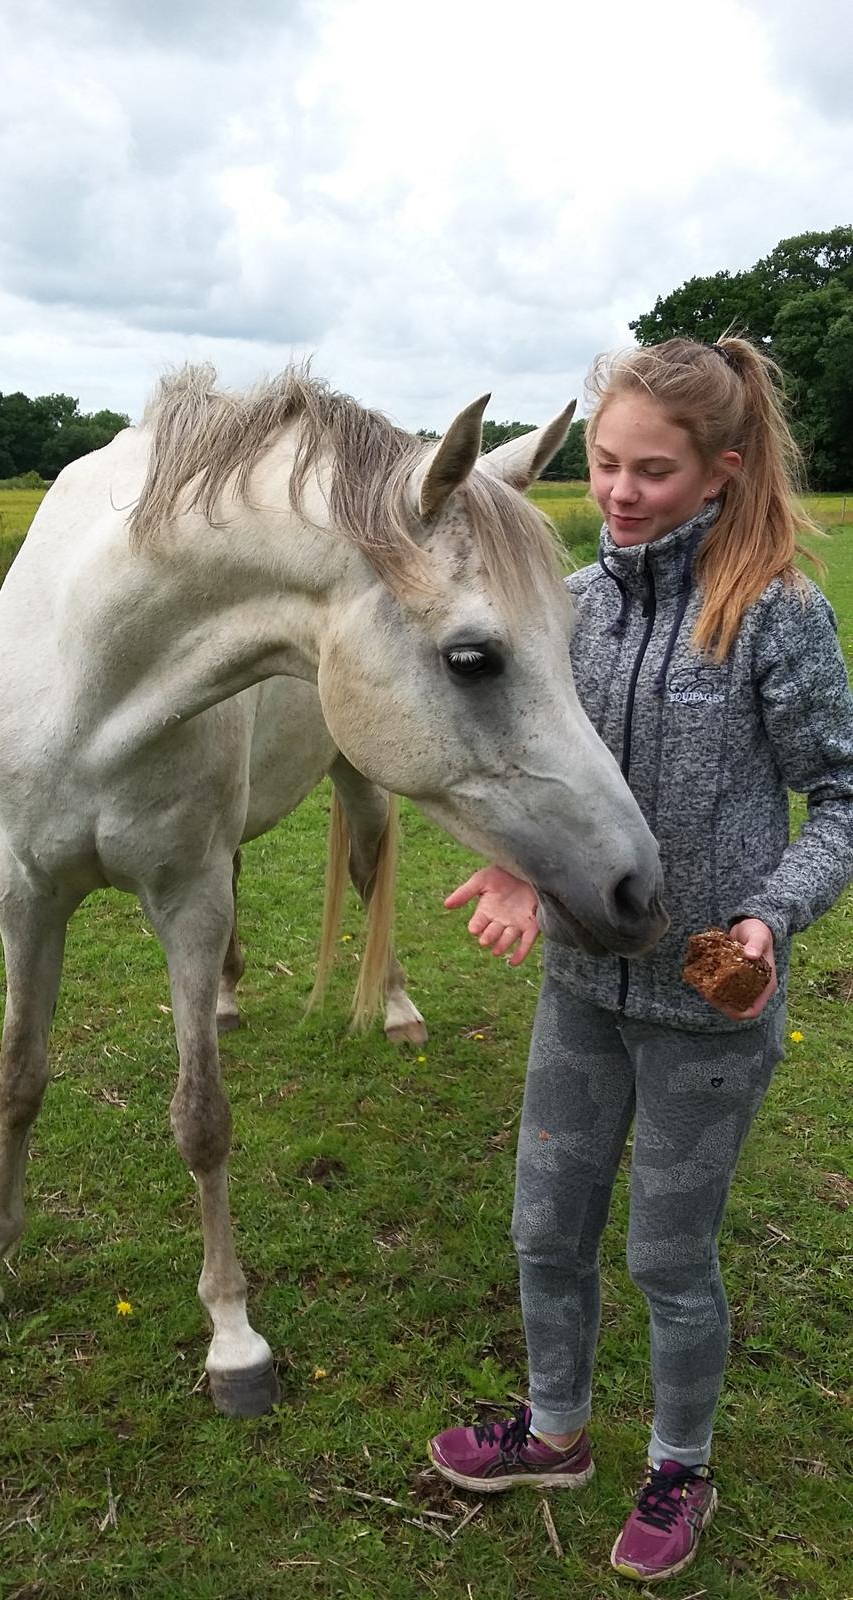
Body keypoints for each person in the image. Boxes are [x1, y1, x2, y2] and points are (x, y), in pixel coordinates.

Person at [428, 336, 853, 1583]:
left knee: (670, 1254)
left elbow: (840, 793)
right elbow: (532, 777)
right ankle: (554, 1429)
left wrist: (772, 916)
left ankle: (680, 1463)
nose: (618, 491)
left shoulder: (777, 613)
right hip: (581, 991)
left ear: (723, 470)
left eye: (652, 472)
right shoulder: (570, 604)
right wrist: (516, 866)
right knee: (544, 1230)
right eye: (606, 464)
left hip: (706, 1009)